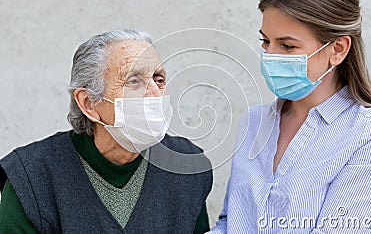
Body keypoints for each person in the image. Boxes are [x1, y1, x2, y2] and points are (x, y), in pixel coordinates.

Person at [209, 0, 371, 233]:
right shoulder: (253, 122)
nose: (270, 55)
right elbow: (231, 223)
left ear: (337, 49)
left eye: (287, 46)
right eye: (266, 42)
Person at [0, 29, 213, 233]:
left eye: (159, 80)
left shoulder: (187, 165)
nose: (155, 94)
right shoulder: (31, 175)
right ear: (89, 103)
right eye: (134, 81)